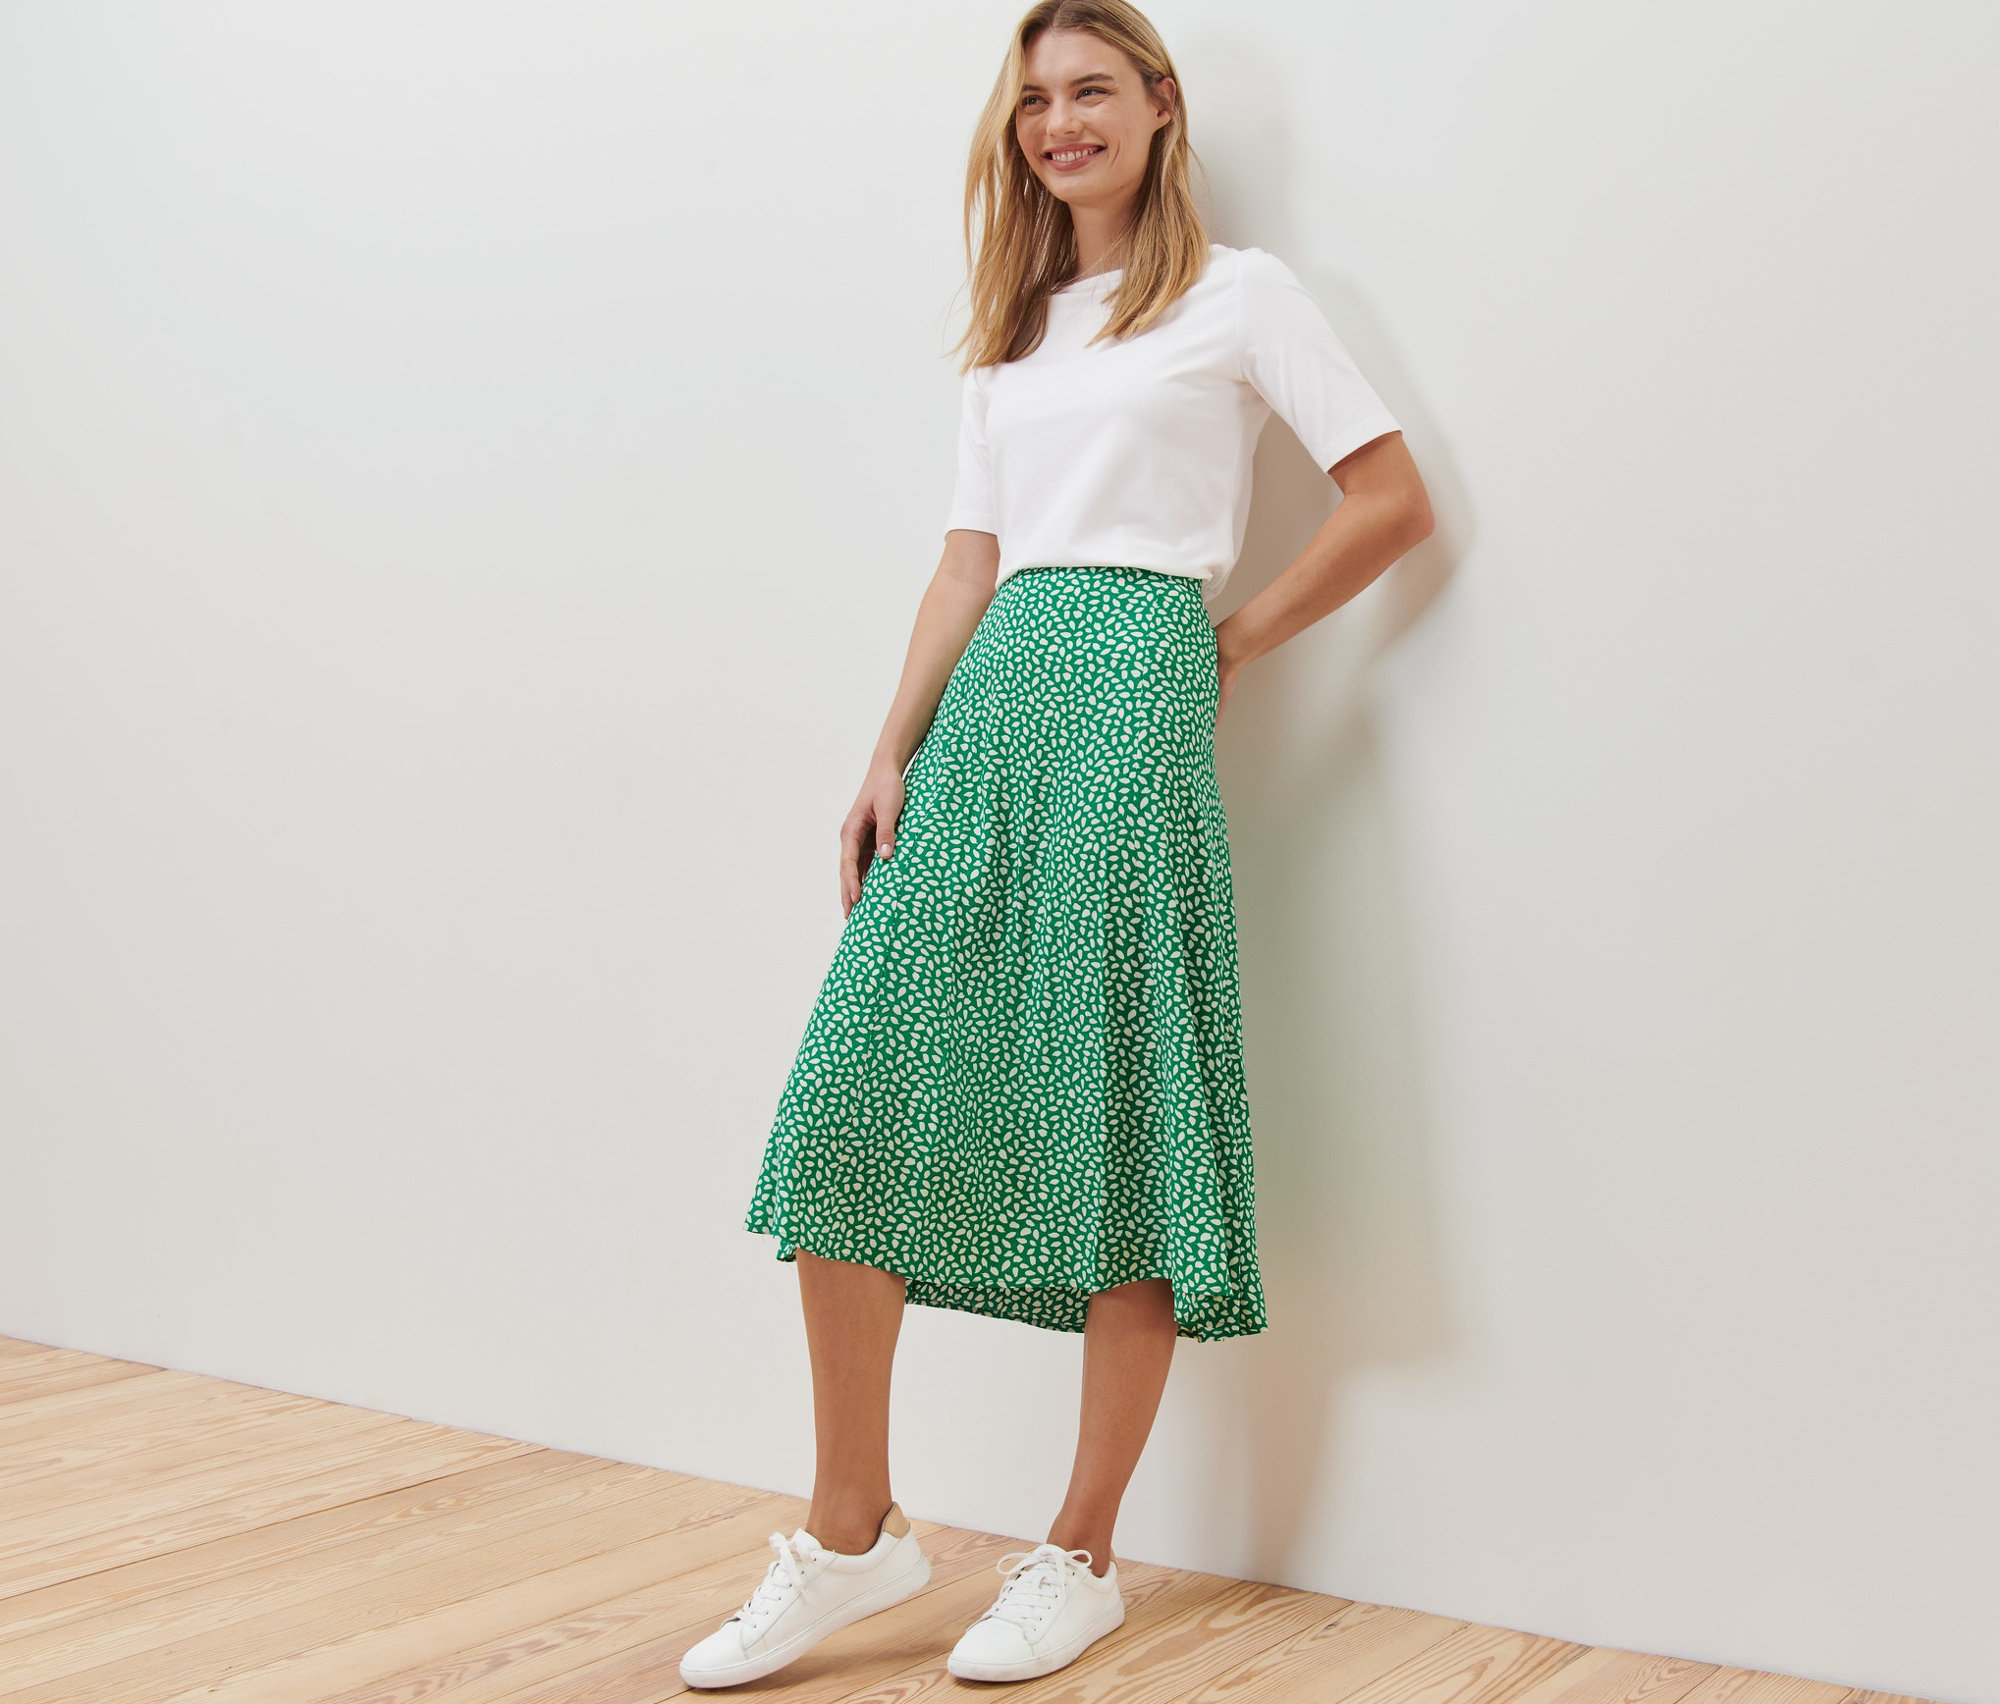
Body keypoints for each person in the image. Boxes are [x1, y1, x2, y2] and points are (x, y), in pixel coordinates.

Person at [680, 0, 1434, 1689]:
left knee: (1119, 1098)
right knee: (852, 1099)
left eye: (1093, 90)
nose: (1059, 124)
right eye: (1035, 100)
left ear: (1162, 108)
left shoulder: (1242, 294)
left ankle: (1079, 1553)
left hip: (1137, 697)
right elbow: (968, 559)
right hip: (995, 702)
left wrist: (1223, 643)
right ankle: (856, 1534)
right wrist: (887, 747)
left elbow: (1391, 499)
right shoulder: (1015, 326)